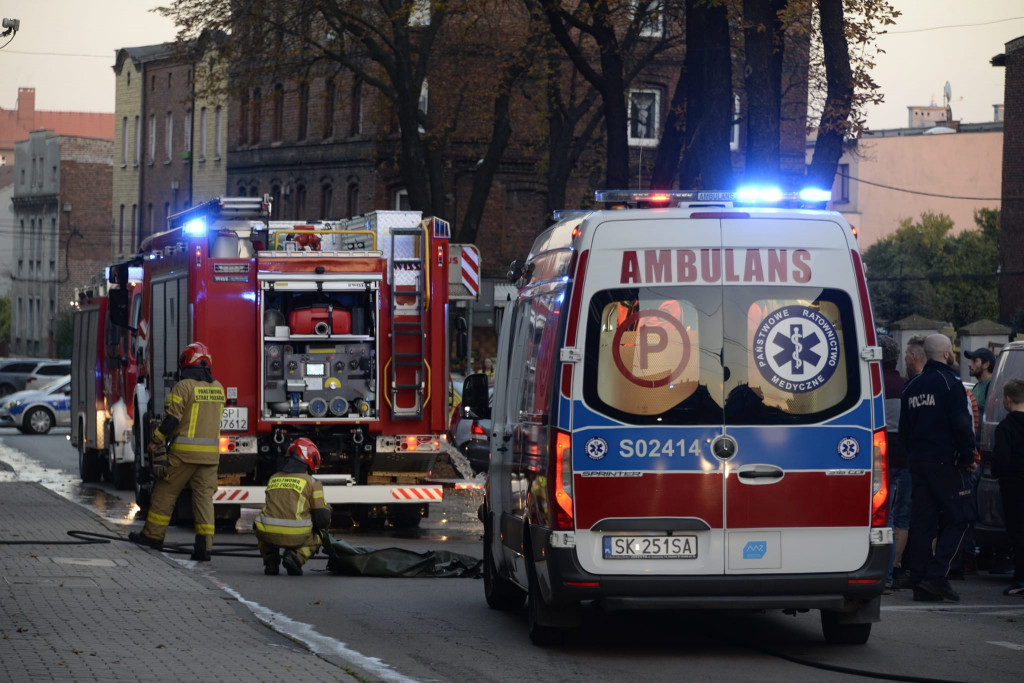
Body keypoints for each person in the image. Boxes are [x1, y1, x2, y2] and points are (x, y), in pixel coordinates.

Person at [129, 342, 225, 562]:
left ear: (187, 362)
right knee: (204, 501)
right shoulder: (218, 388)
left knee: (165, 493)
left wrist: (156, 440)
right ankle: (204, 548)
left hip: (183, 455)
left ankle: (153, 536)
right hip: (210, 458)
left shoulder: (183, 387)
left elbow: (172, 420)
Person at [899, 333, 976, 602]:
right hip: (946, 462)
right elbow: (962, 424)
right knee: (963, 517)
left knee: (923, 521)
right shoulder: (950, 382)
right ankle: (936, 576)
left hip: (919, 462)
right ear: (946, 353)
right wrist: (968, 457)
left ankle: (920, 580)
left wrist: (916, 455)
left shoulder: (911, 387)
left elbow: (905, 431)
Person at [253, 437, 332, 576]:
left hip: (267, 534)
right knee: (321, 532)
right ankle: (296, 557)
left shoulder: (273, 478)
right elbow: (322, 518)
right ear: (311, 459)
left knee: (260, 525)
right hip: (297, 536)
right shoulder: (312, 482)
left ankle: (270, 560)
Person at [880, 335, 910, 589]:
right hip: (907, 458)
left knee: (883, 517)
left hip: (883, 460)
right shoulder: (905, 386)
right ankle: (896, 569)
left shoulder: (874, 385)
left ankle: (885, 576)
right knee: (902, 518)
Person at [992, 378, 1024, 596]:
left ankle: (1020, 578)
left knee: (1017, 532)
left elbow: (1001, 460)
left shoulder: (1005, 427)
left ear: (1007, 399)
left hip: (1014, 486)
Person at [965, 347, 996, 434]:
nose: (969, 364)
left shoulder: (991, 387)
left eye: (974, 360)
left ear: (986, 365)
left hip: (982, 445)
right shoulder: (977, 386)